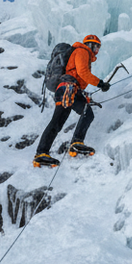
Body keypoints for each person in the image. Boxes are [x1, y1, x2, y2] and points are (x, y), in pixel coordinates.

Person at [33, 34, 111, 167]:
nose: (96, 51)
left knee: (62, 120)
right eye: (96, 47)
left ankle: (43, 152)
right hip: (68, 88)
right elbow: (83, 73)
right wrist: (100, 83)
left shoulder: (81, 52)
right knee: (80, 115)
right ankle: (73, 143)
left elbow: (77, 75)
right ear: (90, 45)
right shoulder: (82, 51)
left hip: (68, 89)